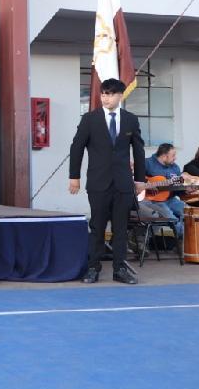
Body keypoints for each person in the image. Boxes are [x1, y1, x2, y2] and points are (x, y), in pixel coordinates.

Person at [68, 77, 145, 285]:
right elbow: (76, 148)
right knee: (97, 227)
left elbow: (138, 150)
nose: (105, 98)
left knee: (121, 228)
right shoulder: (89, 119)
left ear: (120, 96)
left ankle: (120, 269)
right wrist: (74, 177)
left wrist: (140, 179)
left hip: (123, 183)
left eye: (110, 94)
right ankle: (93, 268)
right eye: (103, 94)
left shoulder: (130, 120)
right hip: (98, 182)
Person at [142, 143, 186, 242]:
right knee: (171, 217)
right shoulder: (147, 163)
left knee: (187, 211)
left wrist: (186, 190)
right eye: (173, 155)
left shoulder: (175, 168)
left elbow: (178, 188)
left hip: (171, 199)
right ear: (164, 156)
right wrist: (147, 183)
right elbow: (135, 177)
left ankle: (183, 241)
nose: (175, 158)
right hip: (153, 201)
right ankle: (187, 238)